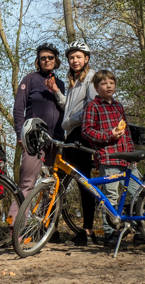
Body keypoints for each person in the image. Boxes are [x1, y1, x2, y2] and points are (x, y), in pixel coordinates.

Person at [8, 43, 65, 240]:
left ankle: (45, 227)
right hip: (34, 140)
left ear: (56, 60)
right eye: (43, 58)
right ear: (38, 61)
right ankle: (15, 228)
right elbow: (18, 109)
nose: (47, 60)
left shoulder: (61, 83)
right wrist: (19, 135)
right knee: (27, 184)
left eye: (50, 57)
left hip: (56, 140)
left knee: (52, 186)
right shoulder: (30, 79)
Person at [81, 69, 141, 247]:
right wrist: (108, 135)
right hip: (108, 158)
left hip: (126, 159)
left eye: (111, 83)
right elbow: (87, 131)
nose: (108, 86)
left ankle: (140, 231)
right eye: (104, 83)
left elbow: (127, 133)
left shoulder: (118, 106)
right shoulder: (93, 106)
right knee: (110, 196)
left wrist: (132, 154)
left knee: (138, 193)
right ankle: (110, 234)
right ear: (96, 87)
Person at [48, 41, 97, 246]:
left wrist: (69, 121)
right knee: (58, 178)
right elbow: (67, 107)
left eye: (78, 57)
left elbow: (92, 107)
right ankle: (50, 228)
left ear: (86, 59)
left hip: (82, 135)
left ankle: (87, 231)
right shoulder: (74, 82)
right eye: (71, 58)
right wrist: (56, 92)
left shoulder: (92, 78)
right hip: (71, 135)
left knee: (83, 182)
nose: (74, 61)